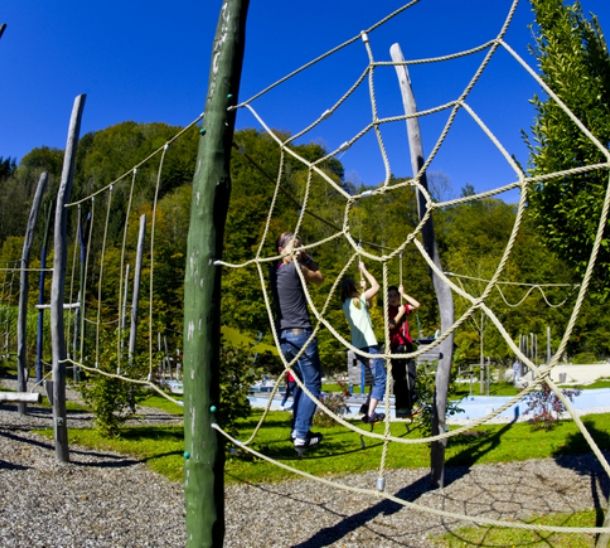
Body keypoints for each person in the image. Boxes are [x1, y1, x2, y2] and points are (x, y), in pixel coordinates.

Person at [270, 231, 324, 455]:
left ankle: (298, 431)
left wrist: (298, 254)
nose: (299, 250)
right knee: (313, 384)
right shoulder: (295, 269)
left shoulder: (276, 271)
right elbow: (320, 278)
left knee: (301, 384)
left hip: (284, 336)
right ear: (282, 250)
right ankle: (301, 435)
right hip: (300, 333)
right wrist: (306, 258)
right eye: (295, 246)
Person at [341, 261, 387, 424]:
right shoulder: (358, 299)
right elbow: (377, 286)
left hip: (358, 347)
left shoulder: (346, 304)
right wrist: (364, 270)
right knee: (381, 379)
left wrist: (361, 288)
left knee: (375, 378)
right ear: (353, 288)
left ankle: (367, 405)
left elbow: (364, 306)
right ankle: (370, 414)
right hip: (369, 346)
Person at [388, 284, 421, 418]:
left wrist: (404, 294)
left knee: (411, 376)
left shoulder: (403, 307)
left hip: (407, 344)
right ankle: (401, 409)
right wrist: (400, 313)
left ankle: (411, 404)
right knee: (399, 379)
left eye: (395, 296)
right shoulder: (389, 310)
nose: (393, 299)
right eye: (390, 296)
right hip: (396, 346)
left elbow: (417, 305)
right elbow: (390, 325)